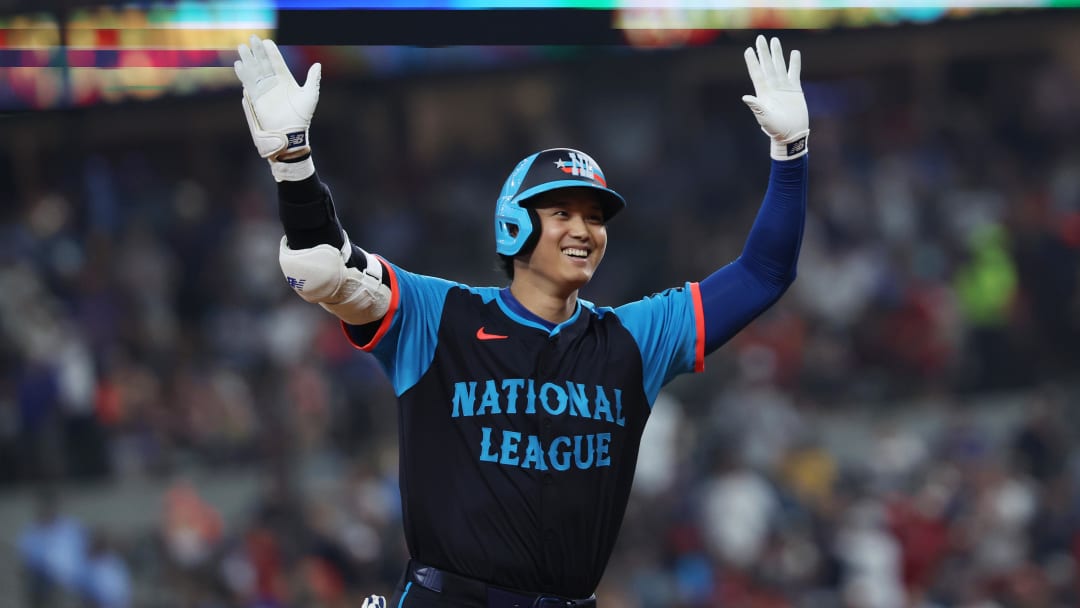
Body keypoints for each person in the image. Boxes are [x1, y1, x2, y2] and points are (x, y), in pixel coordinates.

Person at [234, 33, 809, 608]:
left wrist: (791, 154)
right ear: (514, 226)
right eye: (563, 213)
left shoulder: (635, 337)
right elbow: (321, 267)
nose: (584, 230)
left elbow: (764, 274)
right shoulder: (440, 314)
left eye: (595, 217)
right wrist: (293, 165)